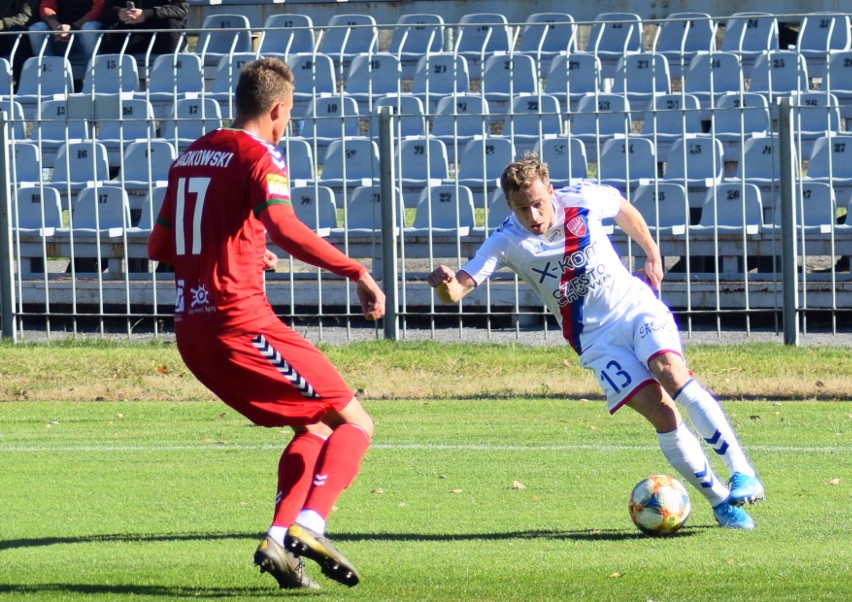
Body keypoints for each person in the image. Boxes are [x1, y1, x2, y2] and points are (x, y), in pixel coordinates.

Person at [428, 153, 765, 530]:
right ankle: (721, 502)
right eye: (523, 209)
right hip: (595, 341)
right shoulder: (505, 241)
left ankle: (742, 472)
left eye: (538, 204)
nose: (534, 217)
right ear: (510, 206)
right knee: (662, 414)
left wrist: (652, 254)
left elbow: (623, 209)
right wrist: (445, 286)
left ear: (550, 192)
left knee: (670, 371)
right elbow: (458, 290)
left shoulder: (582, 199)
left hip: (634, 307)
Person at [147, 57, 385, 590]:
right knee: (356, 423)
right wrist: (356, 270)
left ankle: (278, 541)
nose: (287, 124)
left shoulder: (190, 156)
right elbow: (284, 225)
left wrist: (242, 248)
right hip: (241, 325)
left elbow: (161, 245)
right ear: (278, 109)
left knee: (313, 428)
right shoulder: (260, 156)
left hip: (192, 331)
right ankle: (310, 524)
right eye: (289, 115)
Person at [100, 0, 186, 55]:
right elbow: (108, 9)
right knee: (109, 30)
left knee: (171, 25)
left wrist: (146, 14)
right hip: (130, 30)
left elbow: (181, 8)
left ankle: (172, 74)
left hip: (160, 31)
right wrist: (119, 13)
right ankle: (110, 75)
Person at [27, 0, 103, 58]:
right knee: (37, 28)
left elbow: (99, 7)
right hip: (59, 36)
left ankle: (93, 71)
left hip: (85, 33)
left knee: (89, 28)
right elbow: (47, 6)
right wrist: (57, 27)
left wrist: (73, 27)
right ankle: (46, 70)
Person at [0, 0, 35, 83]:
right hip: (4, 31)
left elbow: (25, 17)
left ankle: (20, 82)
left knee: (16, 34)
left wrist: (2, 23)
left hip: (24, 31)